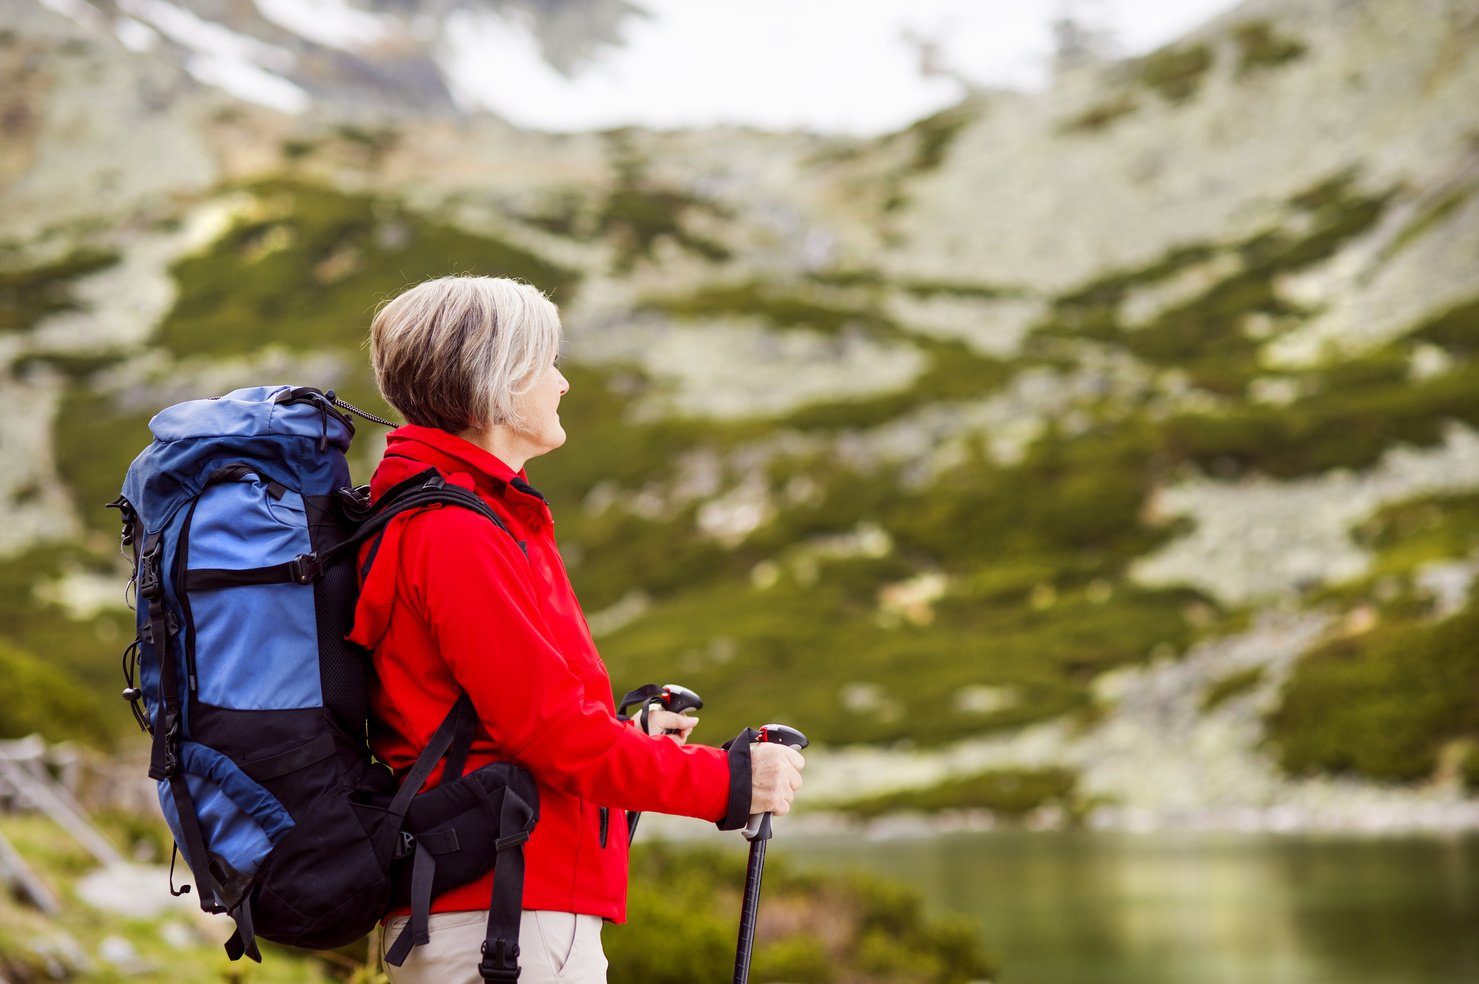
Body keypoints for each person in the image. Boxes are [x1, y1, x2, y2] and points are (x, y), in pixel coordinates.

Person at [347, 275, 806, 983]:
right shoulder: (456, 533)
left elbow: (508, 727)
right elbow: (549, 735)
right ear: (495, 378)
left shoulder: (456, 516)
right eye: (545, 362)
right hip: (504, 922)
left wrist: (635, 743)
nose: (561, 384)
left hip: (497, 910)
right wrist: (731, 781)